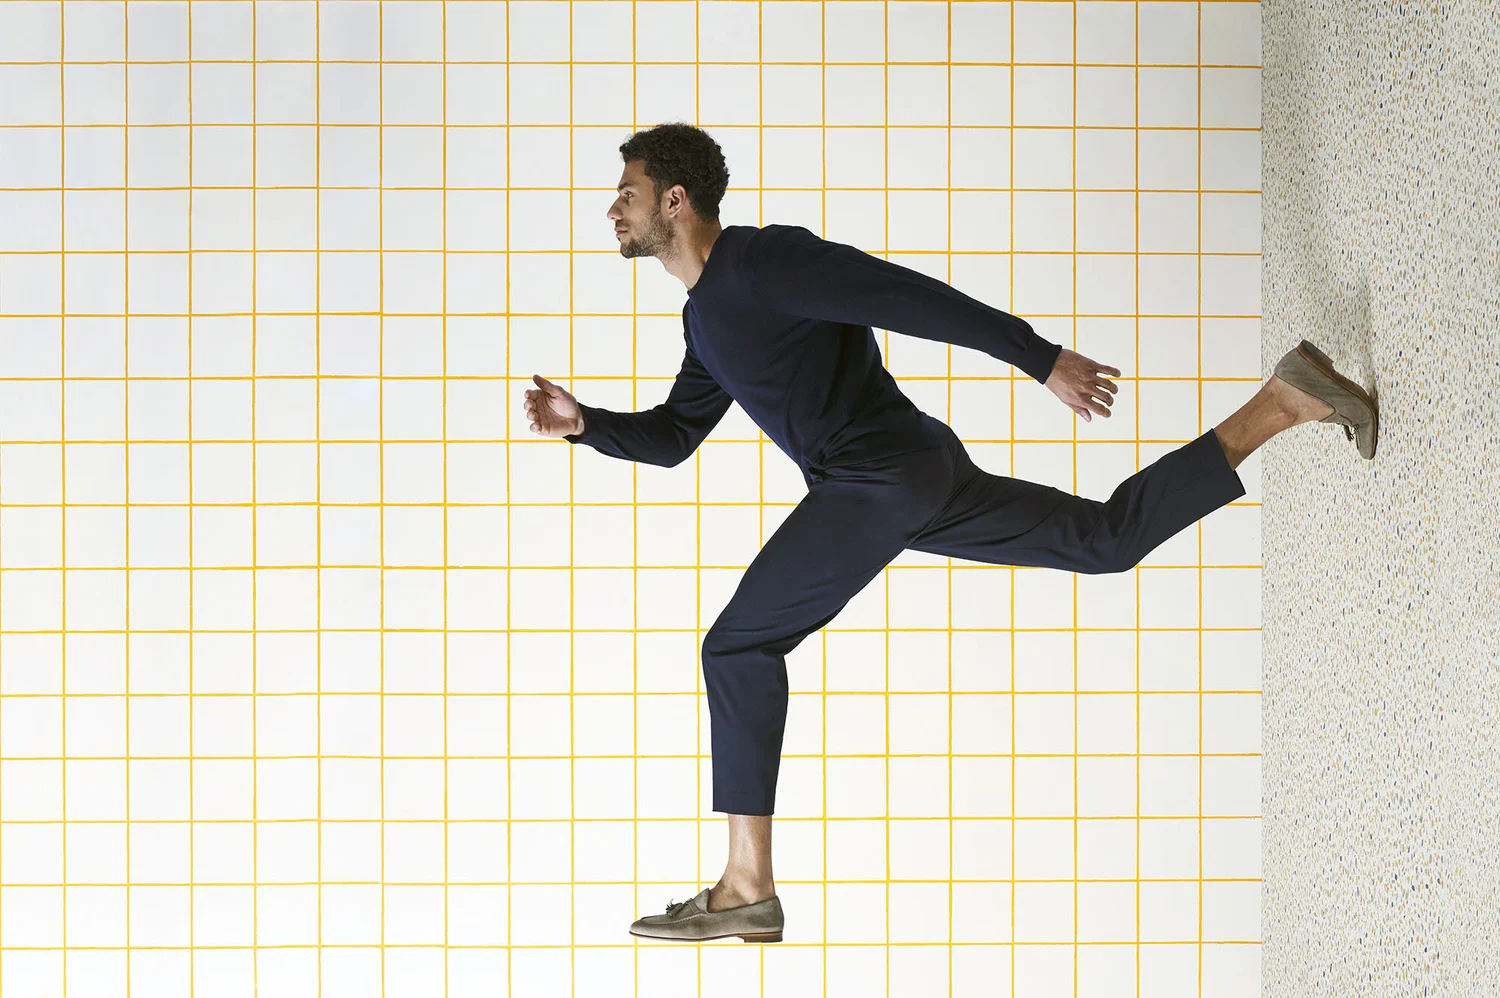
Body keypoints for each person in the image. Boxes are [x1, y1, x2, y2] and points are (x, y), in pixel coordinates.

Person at [522, 123, 1379, 944]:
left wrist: (1037, 357)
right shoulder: (705, 319)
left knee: (737, 648)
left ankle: (747, 885)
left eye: (627, 192)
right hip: (908, 476)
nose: (613, 208)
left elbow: (901, 296)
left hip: (877, 479)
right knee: (1104, 541)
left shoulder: (765, 261)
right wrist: (584, 423)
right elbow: (676, 435)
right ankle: (1287, 400)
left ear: (674, 200)